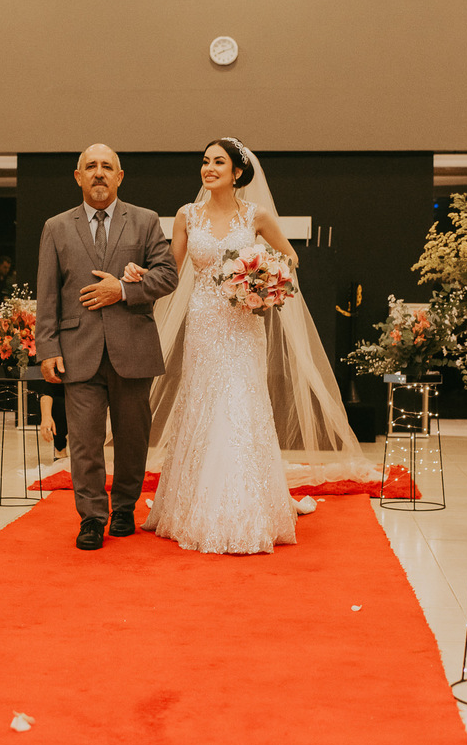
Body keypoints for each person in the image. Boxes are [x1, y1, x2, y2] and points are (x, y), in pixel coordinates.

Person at [127, 139, 369, 553]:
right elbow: (171, 269)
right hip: (204, 323)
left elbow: (290, 259)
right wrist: (141, 275)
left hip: (243, 325)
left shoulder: (256, 216)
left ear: (237, 172)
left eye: (218, 162)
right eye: (205, 161)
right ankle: (194, 504)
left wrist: (263, 283)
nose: (209, 168)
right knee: (203, 403)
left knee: (240, 404)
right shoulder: (187, 215)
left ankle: (245, 507)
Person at [35, 144, 178, 550]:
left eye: (106, 166)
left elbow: (168, 275)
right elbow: (48, 293)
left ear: (120, 176)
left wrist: (124, 289)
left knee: (132, 438)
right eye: (91, 166)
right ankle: (92, 518)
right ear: (78, 176)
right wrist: (47, 348)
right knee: (84, 442)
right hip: (76, 351)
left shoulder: (145, 221)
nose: (99, 173)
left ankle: (124, 508)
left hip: (133, 348)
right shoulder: (56, 227)